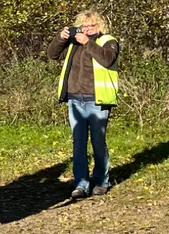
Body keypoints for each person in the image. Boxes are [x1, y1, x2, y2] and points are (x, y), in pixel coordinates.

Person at [46, 10, 120, 199]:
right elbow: (52, 54)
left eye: (91, 26)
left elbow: (107, 59)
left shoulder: (108, 41)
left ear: (99, 26)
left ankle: (101, 181)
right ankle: (80, 184)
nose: (87, 29)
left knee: (98, 142)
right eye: (84, 26)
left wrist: (88, 43)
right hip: (75, 99)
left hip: (98, 100)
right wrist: (60, 39)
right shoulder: (73, 43)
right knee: (78, 144)